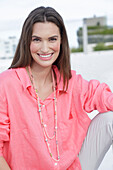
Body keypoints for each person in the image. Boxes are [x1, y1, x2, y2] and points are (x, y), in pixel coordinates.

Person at [0, 6, 113, 170]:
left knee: (109, 120)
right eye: (37, 40)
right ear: (27, 42)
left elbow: (103, 97)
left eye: (52, 39)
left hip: (71, 166)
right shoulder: (7, 83)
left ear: (61, 41)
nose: (45, 48)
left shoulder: (70, 81)